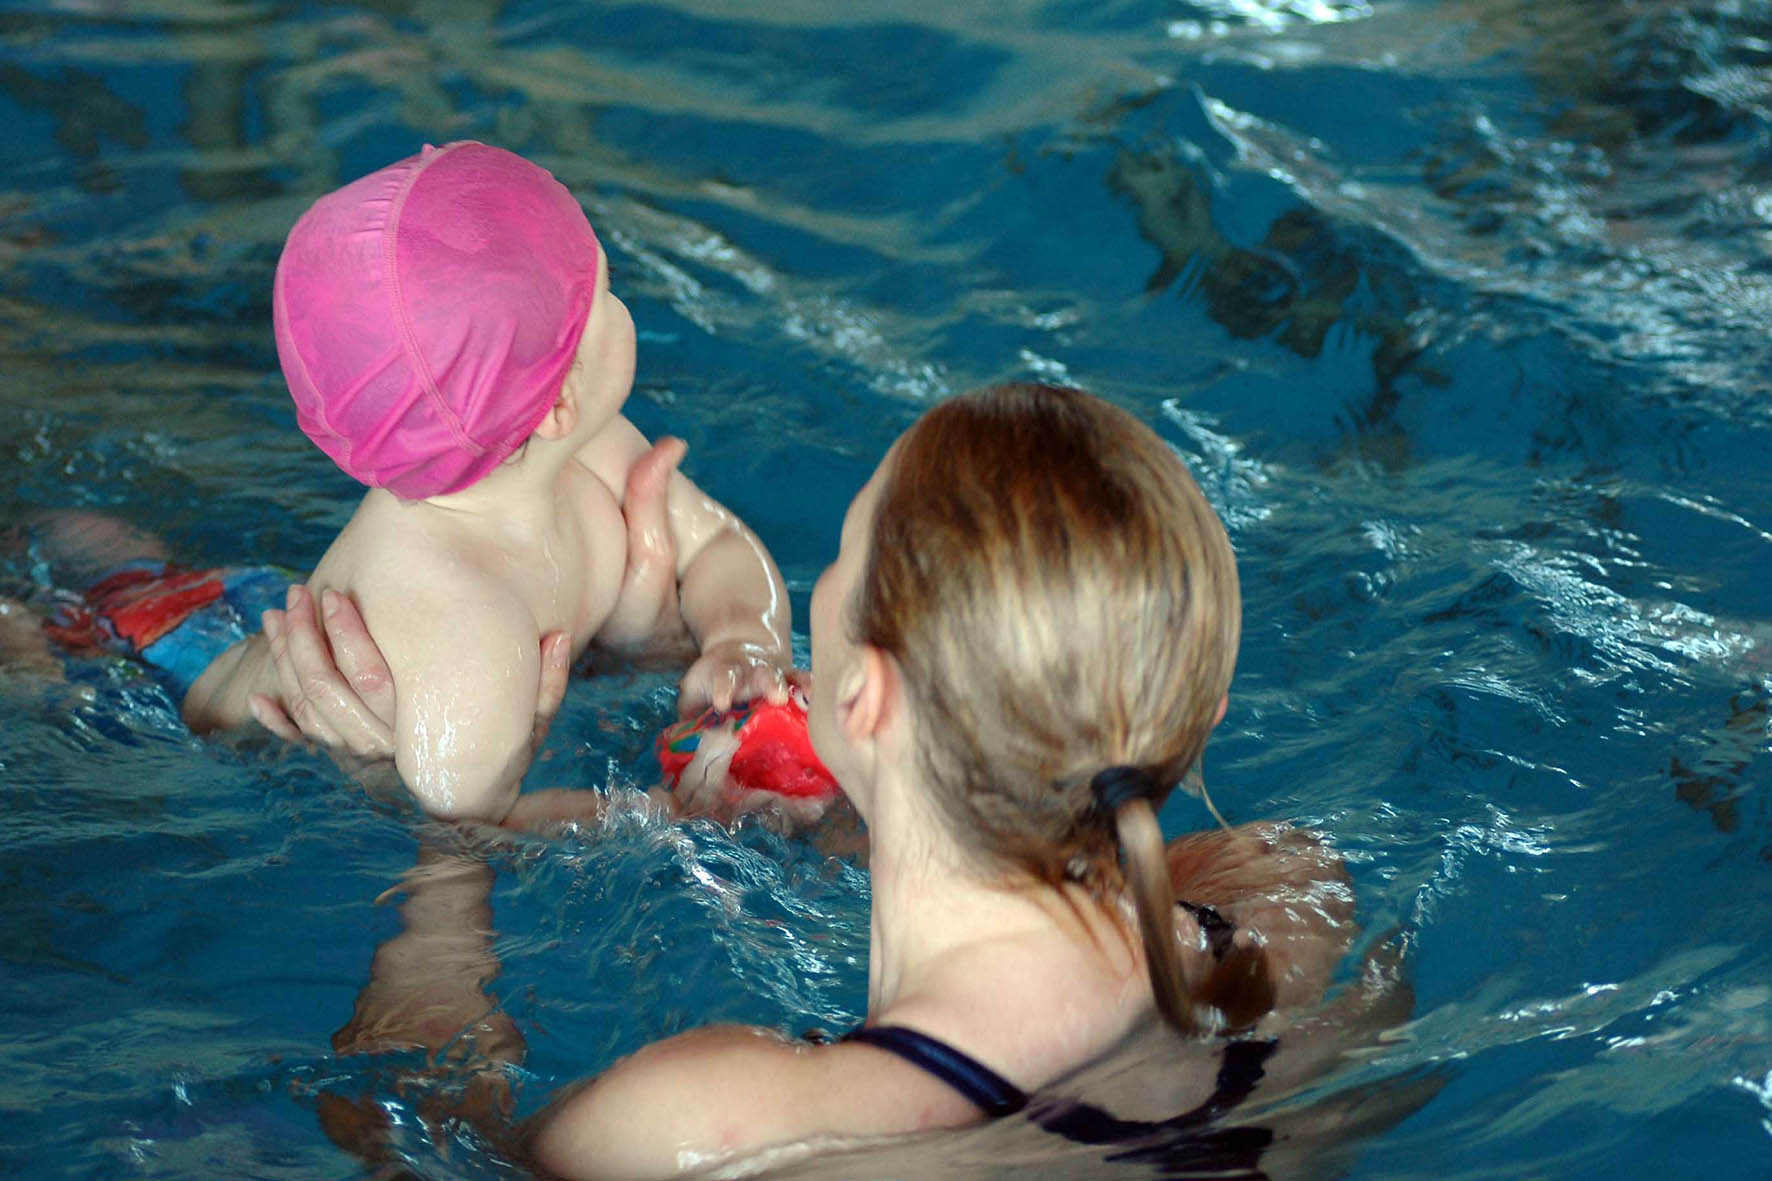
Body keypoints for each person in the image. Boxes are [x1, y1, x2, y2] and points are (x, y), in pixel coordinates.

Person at [265, 383, 1367, 1177]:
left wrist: (444, 841)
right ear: (1200, 710)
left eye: (838, 557)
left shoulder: (704, 1121)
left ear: (866, 696)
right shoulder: (1286, 912)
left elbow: (408, 1136)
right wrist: (855, 814)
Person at [39, 141, 794, 825]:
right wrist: (671, 814)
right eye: (604, 295)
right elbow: (473, 827)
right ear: (560, 401)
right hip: (165, 702)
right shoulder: (464, 632)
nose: (620, 304)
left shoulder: (590, 449)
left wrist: (741, 637)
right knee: (66, 622)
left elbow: (718, 543)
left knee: (114, 567)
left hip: (248, 616)